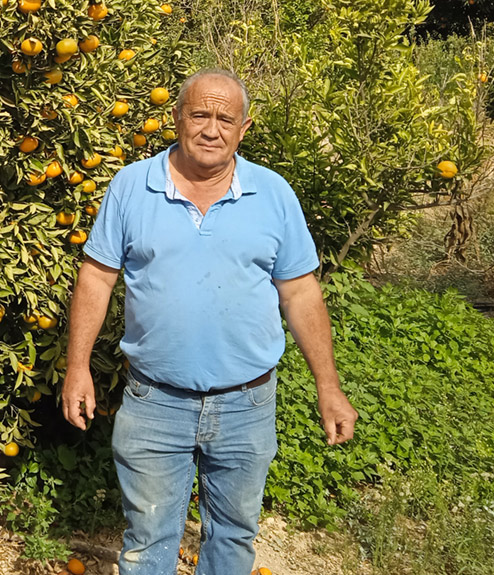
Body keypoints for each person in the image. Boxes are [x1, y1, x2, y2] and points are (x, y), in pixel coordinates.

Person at [60, 69, 359, 575]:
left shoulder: (274, 192)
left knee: (234, 540)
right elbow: (96, 278)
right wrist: (77, 367)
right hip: (155, 401)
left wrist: (327, 385)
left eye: (226, 118)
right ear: (177, 118)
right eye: (199, 114)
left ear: (243, 128)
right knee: (148, 540)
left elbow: (301, 292)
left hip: (248, 401)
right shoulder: (132, 186)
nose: (211, 129)